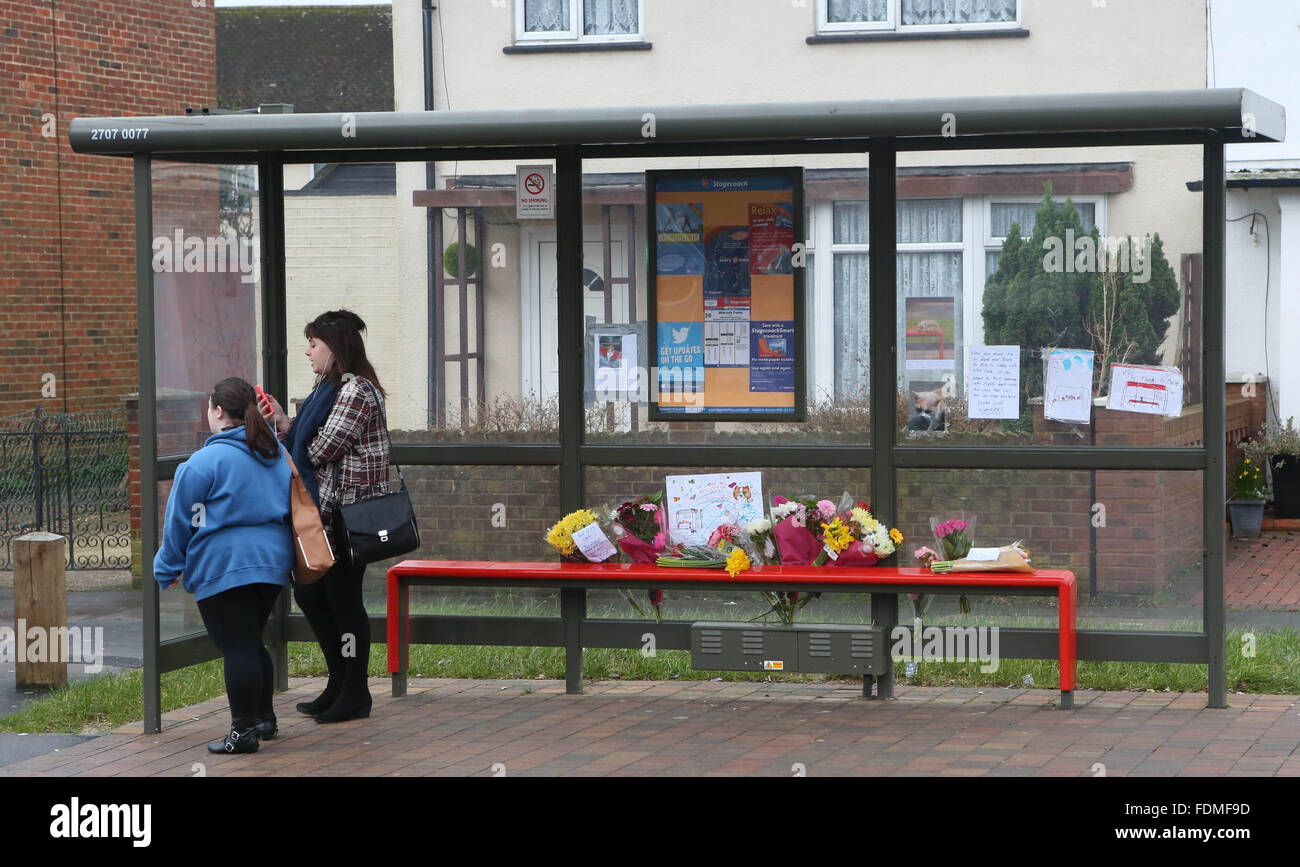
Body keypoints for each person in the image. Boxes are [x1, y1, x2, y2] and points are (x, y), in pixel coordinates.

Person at [258, 309, 390, 724]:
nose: (307, 351)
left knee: (344, 601)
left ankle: (356, 690)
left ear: (334, 349)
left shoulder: (356, 391)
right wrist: (284, 422)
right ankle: (339, 679)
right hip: (324, 513)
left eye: (314, 344)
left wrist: (295, 433)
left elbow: (319, 450)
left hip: (345, 516)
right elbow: (308, 439)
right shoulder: (328, 387)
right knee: (312, 594)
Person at [154, 377, 293, 754]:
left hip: (224, 565)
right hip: (272, 564)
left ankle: (242, 733)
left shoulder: (203, 463)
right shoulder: (273, 453)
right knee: (251, 640)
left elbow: (179, 522)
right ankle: (264, 718)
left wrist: (166, 567)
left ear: (217, 411)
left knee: (237, 647)